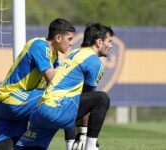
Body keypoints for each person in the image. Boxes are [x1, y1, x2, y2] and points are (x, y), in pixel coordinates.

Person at [16, 22, 114, 150]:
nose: (110, 46)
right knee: (102, 98)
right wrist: (82, 134)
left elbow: (76, 101)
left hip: (41, 110)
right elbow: (85, 100)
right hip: (57, 109)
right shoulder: (94, 61)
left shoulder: (76, 53)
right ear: (99, 42)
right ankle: (91, 147)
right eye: (109, 41)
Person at [0, 18, 76, 150]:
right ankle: (72, 142)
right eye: (69, 39)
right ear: (58, 37)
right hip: (13, 99)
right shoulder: (40, 45)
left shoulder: (54, 56)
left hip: (5, 105)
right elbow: (54, 82)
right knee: (62, 101)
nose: (71, 43)